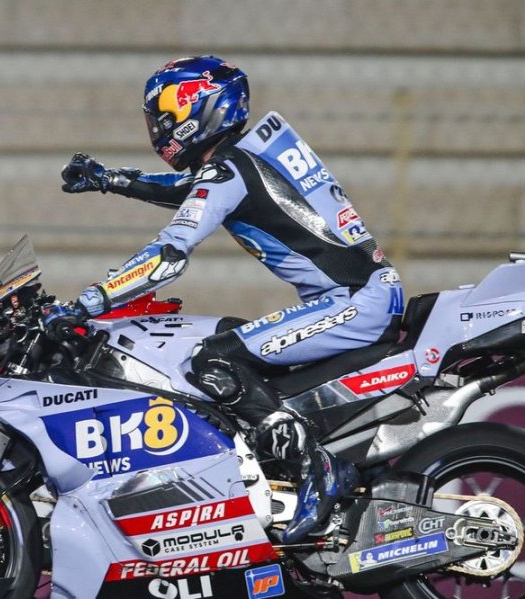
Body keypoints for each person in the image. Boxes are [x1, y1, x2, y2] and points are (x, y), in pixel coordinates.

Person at [46, 55, 404, 542]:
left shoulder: (231, 168)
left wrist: (87, 303)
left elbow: (167, 257)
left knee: (213, 360)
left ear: (202, 106)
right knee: (232, 346)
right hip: (360, 295)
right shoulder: (242, 160)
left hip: (354, 300)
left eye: (167, 110)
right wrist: (112, 180)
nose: (160, 124)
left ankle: (317, 469)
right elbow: (192, 189)